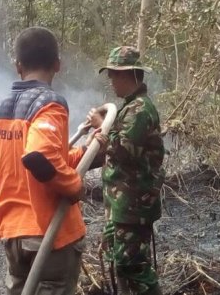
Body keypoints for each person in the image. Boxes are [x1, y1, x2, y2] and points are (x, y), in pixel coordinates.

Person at [0, 27, 106, 295]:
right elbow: (39, 156)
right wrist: (73, 186)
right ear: (57, 64)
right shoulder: (50, 104)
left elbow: (41, 160)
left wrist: (88, 151)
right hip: (48, 234)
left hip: (14, 233)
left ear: (17, 66)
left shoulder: (2, 110)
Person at [87, 46, 165, 295]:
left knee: (134, 268)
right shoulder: (129, 108)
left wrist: (102, 127)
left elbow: (124, 150)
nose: (111, 81)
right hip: (122, 206)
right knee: (122, 263)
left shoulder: (140, 109)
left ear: (129, 75)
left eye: (114, 75)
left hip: (133, 206)